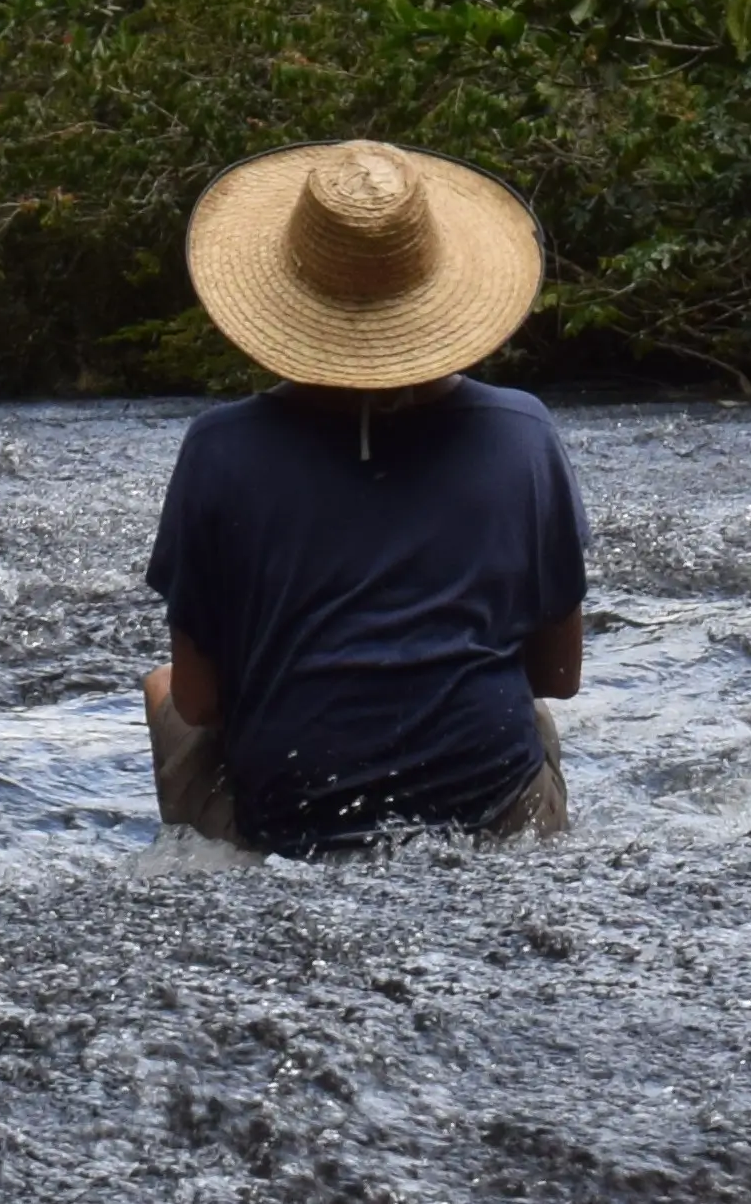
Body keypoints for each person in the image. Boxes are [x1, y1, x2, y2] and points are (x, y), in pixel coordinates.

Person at [138, 139, 587, 855]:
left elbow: (198, 701)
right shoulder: (521, 433)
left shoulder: (217, 448)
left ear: (283, 293)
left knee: (162, 686)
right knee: (526, 715)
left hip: (289, 830)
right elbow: (556, 676)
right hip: (489, 816)